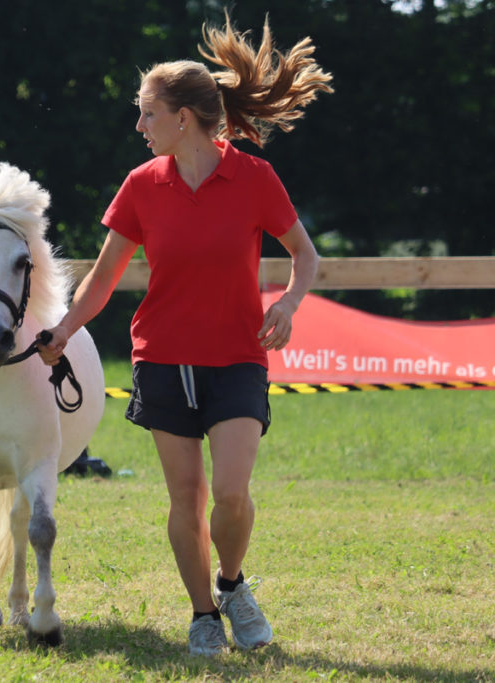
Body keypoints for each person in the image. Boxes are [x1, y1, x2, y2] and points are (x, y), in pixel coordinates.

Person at [37, 14, 330, 656]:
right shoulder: (142, 186)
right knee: (185, 498)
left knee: (230, 495)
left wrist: (290, 302)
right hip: (163, 360)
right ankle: (203, 615)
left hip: (237, 359)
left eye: (146, 113)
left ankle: (231, 583)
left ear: (183, 118)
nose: (139, 126)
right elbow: (103, 277)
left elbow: (305, 255)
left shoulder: (253, 178)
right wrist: (62, 328)